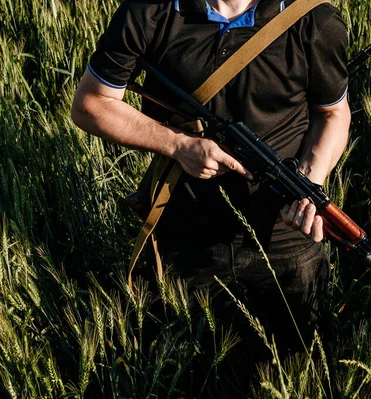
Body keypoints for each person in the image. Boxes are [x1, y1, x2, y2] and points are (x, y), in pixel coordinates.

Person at [71, 0, 350, 361]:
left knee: (304, 358)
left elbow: (332, 113)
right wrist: (179, 145)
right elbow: (91, 103)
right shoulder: (150, 10)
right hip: (184, 227)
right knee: (173, 364)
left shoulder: (313, 18)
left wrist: (308, 186)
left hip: (283, 234)